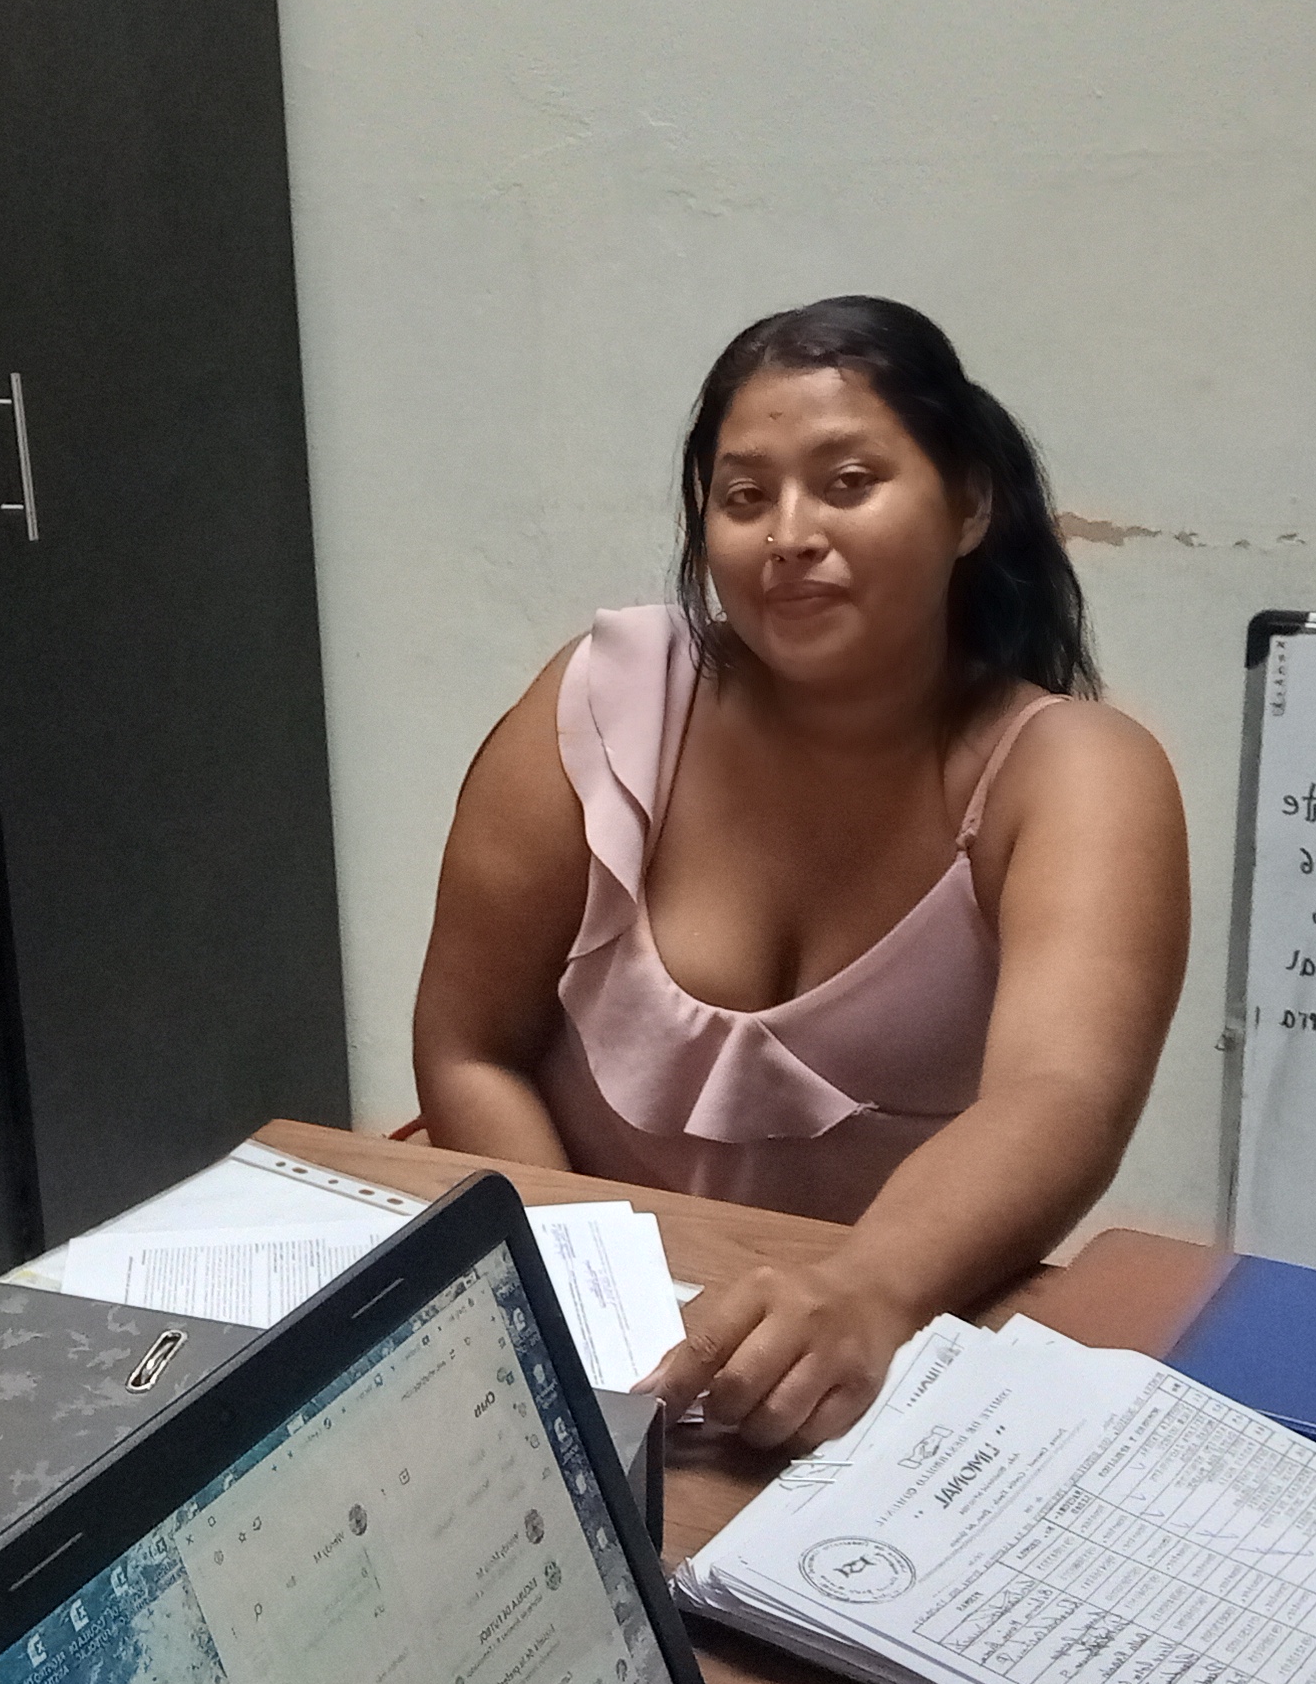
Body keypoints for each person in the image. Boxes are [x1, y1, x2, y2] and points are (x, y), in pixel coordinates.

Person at [416, 296, 1189, 1452]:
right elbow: (468, 1046)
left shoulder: (1074, 770)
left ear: (969, 504)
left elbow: (1061, 1095)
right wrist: (580, 1304)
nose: (789, 534)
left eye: (847, 483)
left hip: (876, 1363)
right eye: (744, 497)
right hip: (595, 1363)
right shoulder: (605, 702)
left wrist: (869, 1289)